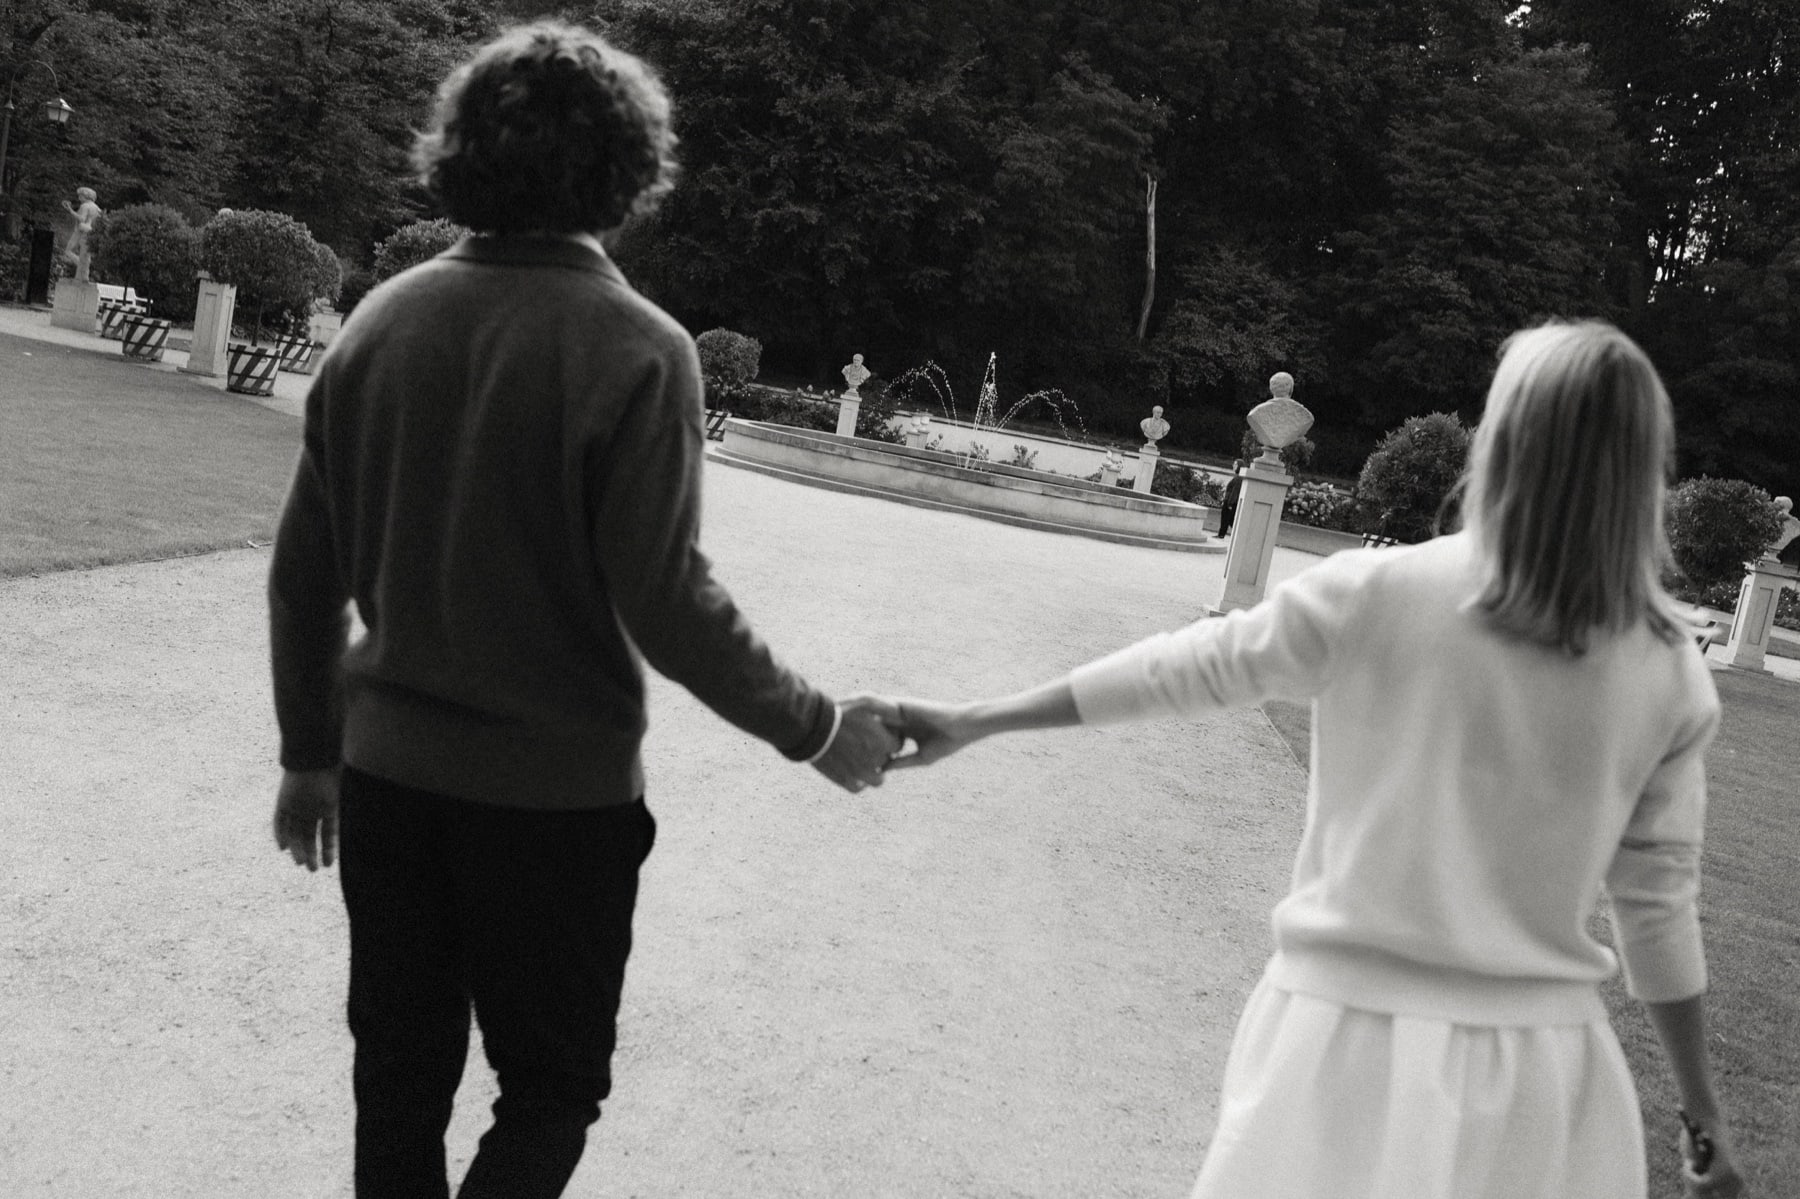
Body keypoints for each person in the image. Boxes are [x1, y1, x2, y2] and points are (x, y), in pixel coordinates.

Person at [883, 322, 1744, 1198]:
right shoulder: (1666, 665)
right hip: (1543, 1079)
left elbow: (1182, 670)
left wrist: (977, 718)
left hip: (1339, 1047)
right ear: (1645, 466)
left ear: (1505, 436)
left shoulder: (1377, 593)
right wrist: (1704, 1117)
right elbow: (1657, 911)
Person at [267, 22, 898, 1199]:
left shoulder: (380, 324)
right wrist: (814, 725)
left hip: (389, 783)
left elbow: (305, 576)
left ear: (458, 149)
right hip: (553, 808)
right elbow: (665, 597)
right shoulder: (640, 349)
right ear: (628, 169)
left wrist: (310, 754)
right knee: (551, 1089)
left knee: (397, 1079)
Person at [1217, 459, 1244, 537]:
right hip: (1229, 501)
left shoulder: (1238, 478)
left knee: (1228, 519)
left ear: (1239, 466)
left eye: (1235, 464)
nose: (1233, 465)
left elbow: (1235, 491)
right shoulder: (1237, 477)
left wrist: (1230, 503)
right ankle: (1222, 534)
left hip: (1230, 502)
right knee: (1228, 519)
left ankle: (1223, 534)